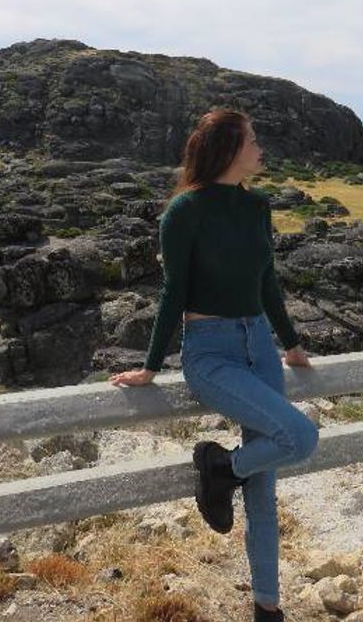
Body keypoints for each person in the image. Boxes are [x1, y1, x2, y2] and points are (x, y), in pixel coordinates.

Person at [108, 107, 318, 622]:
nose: (260, 149)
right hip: (210, 351)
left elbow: (266, 280)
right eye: (252, 140)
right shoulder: (183, 213)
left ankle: (267, 606)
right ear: (228, 149)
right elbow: (172, 291)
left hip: (259, 346)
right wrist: (152, 367)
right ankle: (222, 468)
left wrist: (289, 343)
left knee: (264, 489)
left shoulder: (257, 207)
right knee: (300, 437)